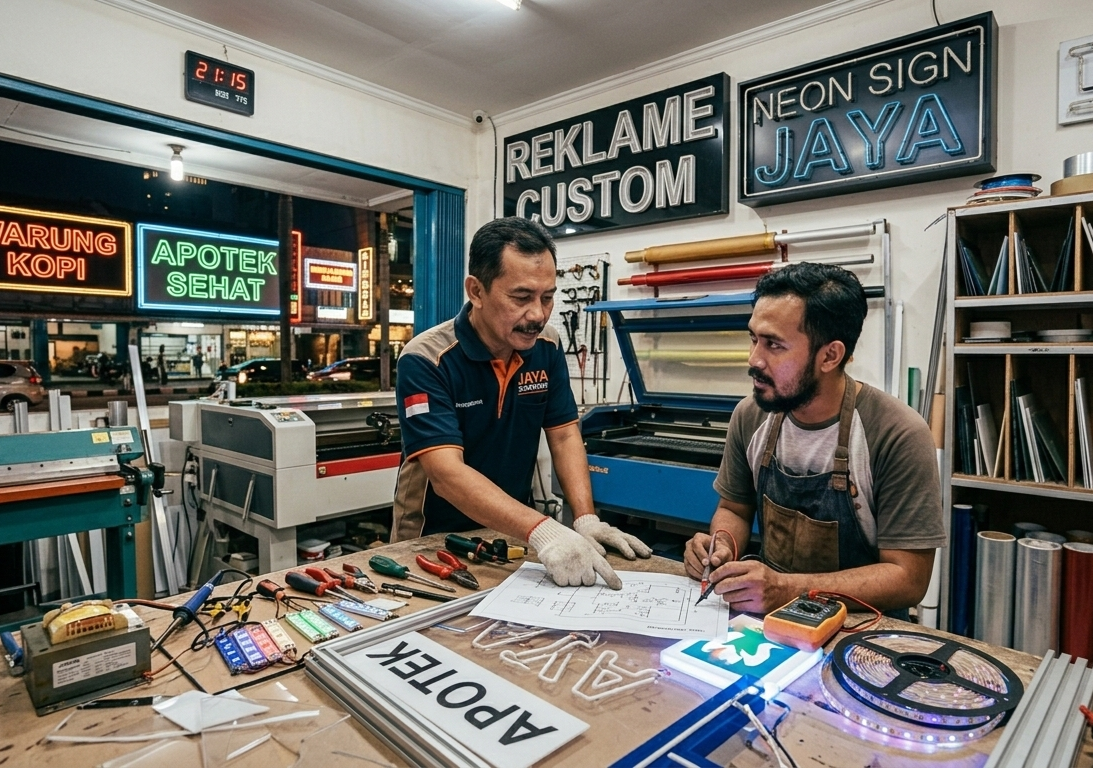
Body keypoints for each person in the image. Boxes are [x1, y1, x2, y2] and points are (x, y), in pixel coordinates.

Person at [391, 217, 650, 589]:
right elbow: (446, 475)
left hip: (512, 532)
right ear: (476, 291)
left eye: (547, 297)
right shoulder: (426, 359)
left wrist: (585, 520)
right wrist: (545, 530)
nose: (538, 315)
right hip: (431, 541)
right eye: (522, 297)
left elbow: (564, 435)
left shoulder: (547, 346)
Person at [684, 262, 945, 619]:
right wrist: (722, 548)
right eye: (754, 339)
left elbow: (908, 578)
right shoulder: (751, 416)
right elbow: (734, 509)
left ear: (830, 356)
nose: (754, 359)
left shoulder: (897, 434)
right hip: (767, 618)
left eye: (774, 345)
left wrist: (786, 588)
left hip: (860, 627)